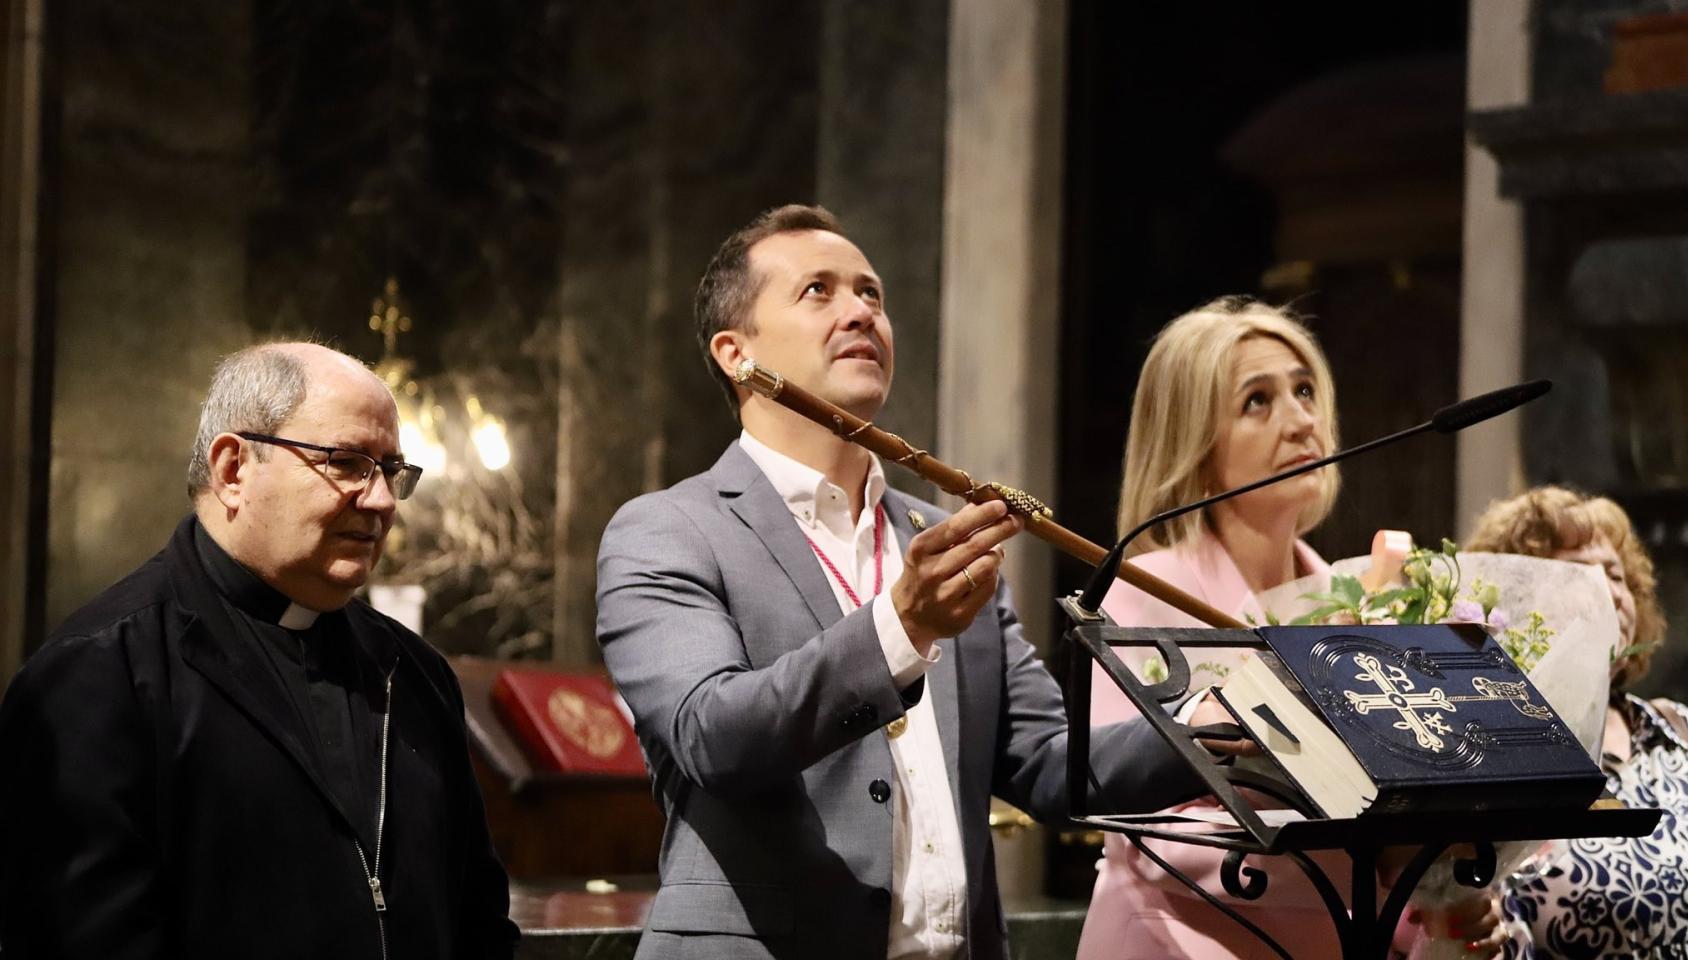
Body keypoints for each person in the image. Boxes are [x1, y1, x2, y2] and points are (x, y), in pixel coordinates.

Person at [595, 204, 1201, 960]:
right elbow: (714, 737)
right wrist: (902, 627)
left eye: (872, 294)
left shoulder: (937, 540)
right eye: (818, 291)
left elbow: (1052, 764)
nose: (860, 312)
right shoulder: (667, 529)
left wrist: (1217, 733)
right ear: (734, 352)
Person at [0, 343, 519, 959]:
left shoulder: (415, 674)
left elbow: (477, 922)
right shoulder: (99, 673)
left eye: (390, 471)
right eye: (348, 462)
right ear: (233, 469)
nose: (381, 500)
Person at [1076, 298, 1500, 959]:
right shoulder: (1143, 592)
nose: (1303, 421)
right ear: (1195, 441)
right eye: (1258, 401)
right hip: (1179, 942)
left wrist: (1443, 892)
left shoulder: (1364, 603)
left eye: (1306, 391)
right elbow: (1151, 832)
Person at [1467, 486, 1688, 958]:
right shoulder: (1493, 747)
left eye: (1615, 575)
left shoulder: (1682, 730)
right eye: (1578, 574)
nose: (1608, 591)